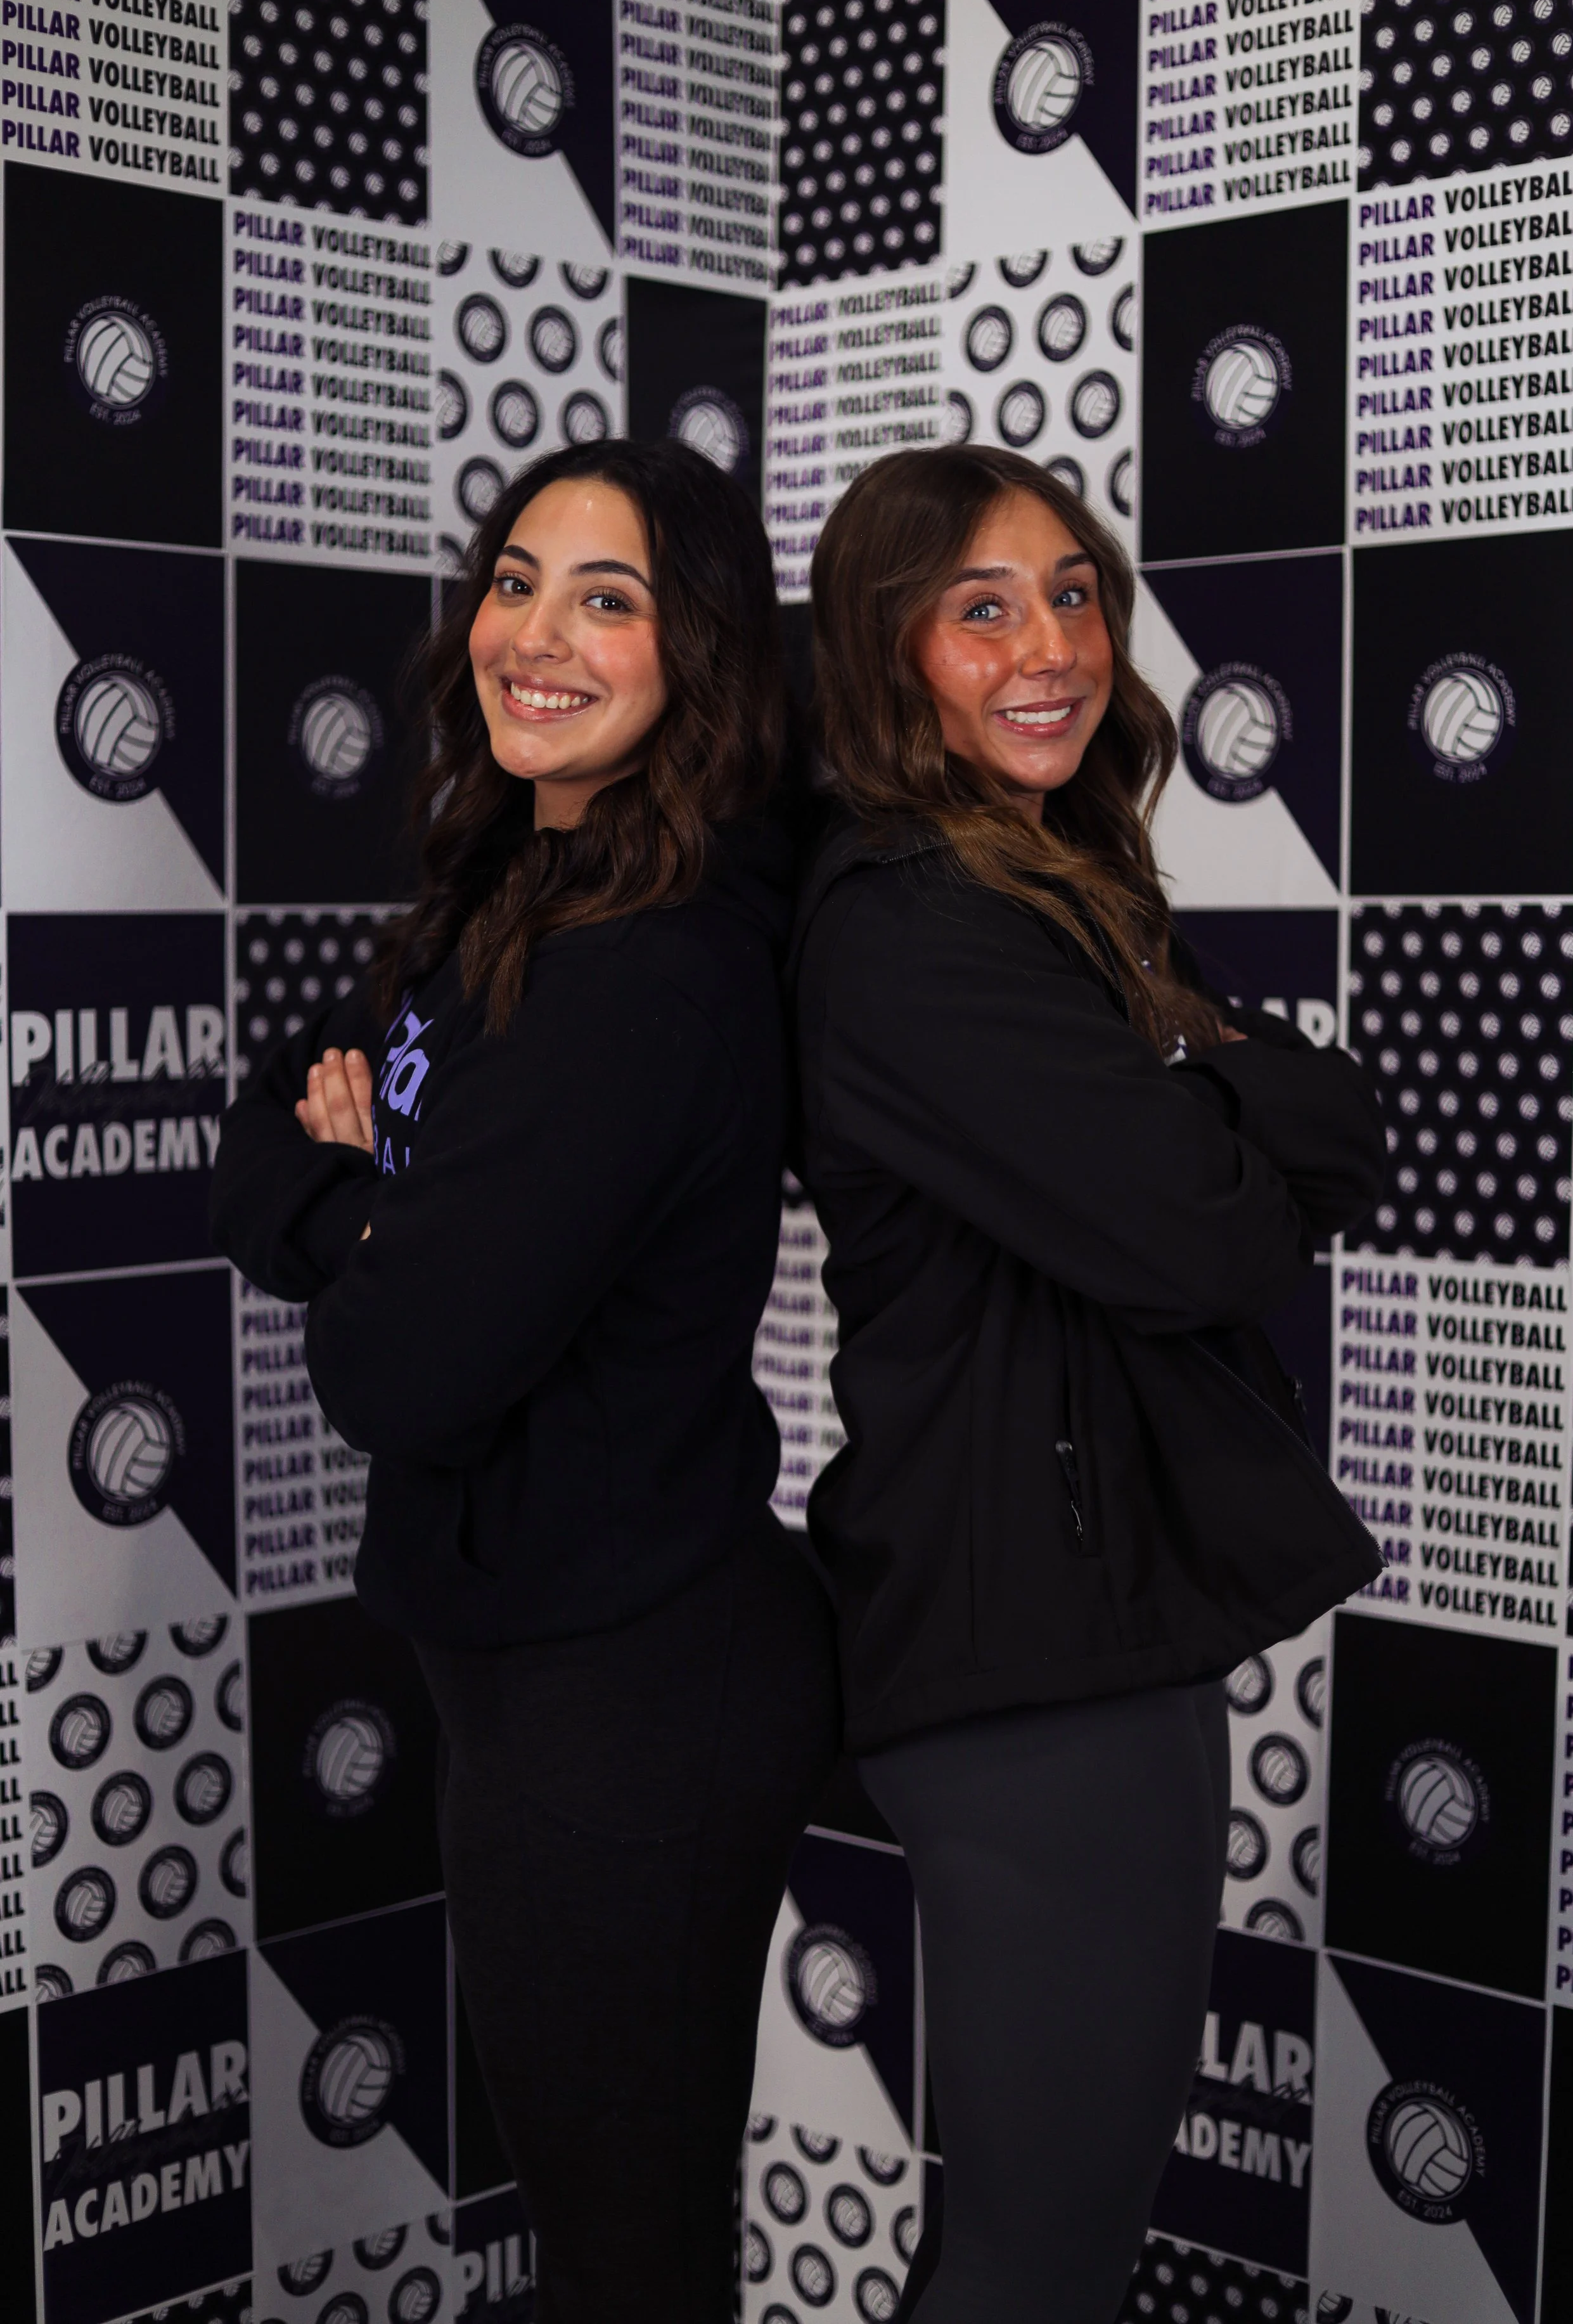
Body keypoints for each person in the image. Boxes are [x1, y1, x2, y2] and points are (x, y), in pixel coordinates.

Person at [211, 439, 840, 2323]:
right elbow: (275, 1118)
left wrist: (343, 1216)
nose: (534, 633)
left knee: (623, 2269)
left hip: (626, 1698)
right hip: (544, 1668)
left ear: (699, 658)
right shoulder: (523, 881)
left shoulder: (646, 968)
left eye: (609, 596)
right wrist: (367, 1204)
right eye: (513, 579)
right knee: (609, 2244)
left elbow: (406, 1364)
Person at [790, 444, 1385, 2323]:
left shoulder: (1046, 874)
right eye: (979, 608)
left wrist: (1207, 1085)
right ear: (887, 661)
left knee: (1027, 2251)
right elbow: (1216, 1231)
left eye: (1070, 592)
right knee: (1040, 2268)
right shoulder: (910, 927)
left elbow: (1331, 1142)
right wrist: (1221, 1081)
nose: (1048, 644)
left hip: (1074, 1635)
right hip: (1024, 1663)